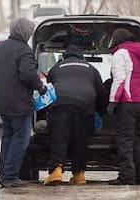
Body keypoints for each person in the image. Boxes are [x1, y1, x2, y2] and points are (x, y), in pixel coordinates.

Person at [0, 17, 47, 188]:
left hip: (1, 103)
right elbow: (27, 75)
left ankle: (3, 173)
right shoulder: (24, 51)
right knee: (20, 139)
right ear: (24, 31)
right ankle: (10, 175)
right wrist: (40, 87)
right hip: (19, 103)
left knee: (8, 136)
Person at [42, 44, 106, 186]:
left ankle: (56, 171)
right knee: (80, 140)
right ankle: (79, 175)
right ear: (81, 56)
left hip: (60, 105)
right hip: (84, 106)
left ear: (64, 57)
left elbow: (49, 90)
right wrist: (99, 113)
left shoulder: (55, 68)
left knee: (59, 137)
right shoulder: (91, 69)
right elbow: (101, 94)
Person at [107, 28, 140, 185]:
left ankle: (127, 176)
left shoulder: (121, 53)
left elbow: (120, 78)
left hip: (127, 101)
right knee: (135, 140)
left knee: (125, 140)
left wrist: (112, 101)